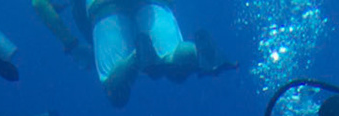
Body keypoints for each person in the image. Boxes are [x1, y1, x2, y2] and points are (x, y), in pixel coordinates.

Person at [67, 0, 236, 107]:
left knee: (116, 91)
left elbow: (73, 8)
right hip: (153, 4)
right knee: (173, 61)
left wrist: (88, 37)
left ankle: (137, 58)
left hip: (105, 7)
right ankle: (198, 52)